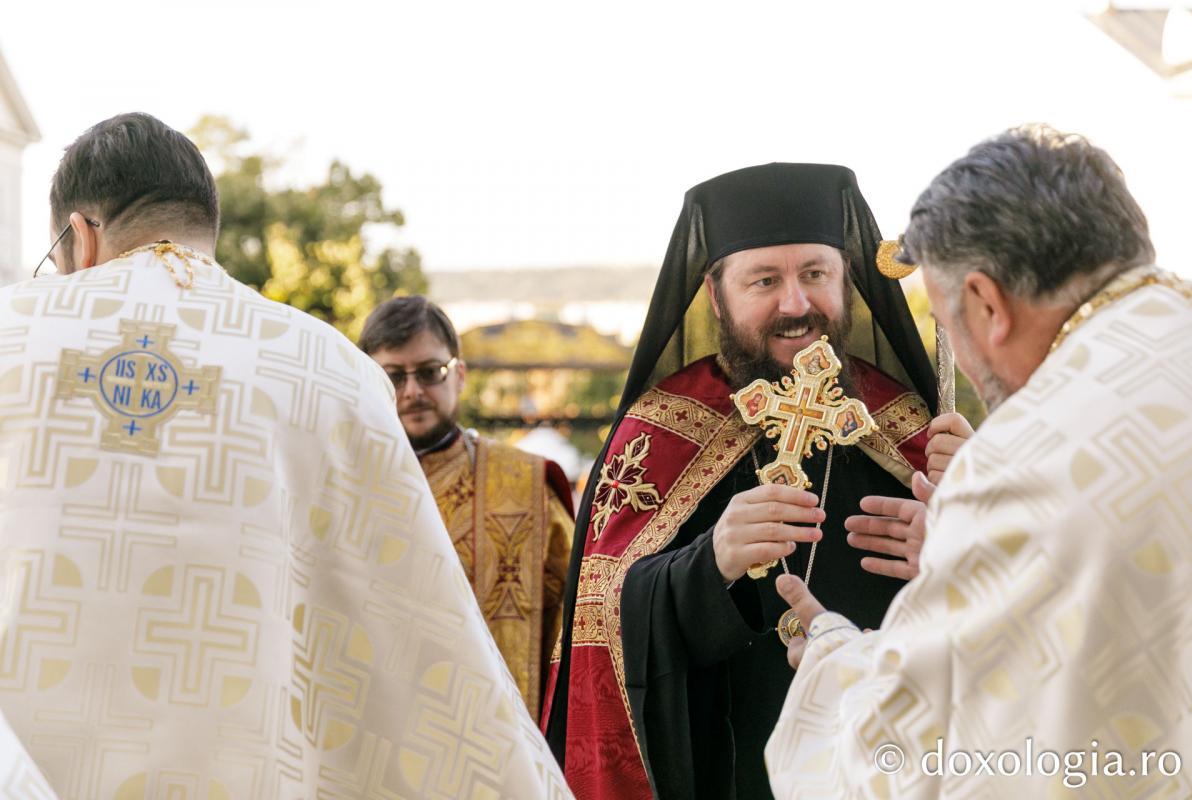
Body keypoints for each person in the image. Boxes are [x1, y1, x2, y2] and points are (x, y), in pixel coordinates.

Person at [0, 112, 568, 798]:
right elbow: (416, 639)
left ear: (79, 237)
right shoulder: (328, 368)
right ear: (206, 231)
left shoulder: (11, 337)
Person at [766, 125, 1192, 798]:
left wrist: (830, 656)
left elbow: (901, 761)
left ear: (987, 305)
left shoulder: (1025, 459)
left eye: (947, 318)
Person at [542, 162, 967, 799]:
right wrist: (708, 565)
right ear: (716, 296)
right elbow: (604, 622)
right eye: (764, 280)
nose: (795, 305)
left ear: (846, 281)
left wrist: (966, 531)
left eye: (815, 275)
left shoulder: (913, 431)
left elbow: (1003, 618)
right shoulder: (661, 432)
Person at [359, 296, 575, 718]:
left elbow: (578, 618)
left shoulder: (523, 484)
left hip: (496, 734)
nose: (413, 391)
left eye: (429, 372)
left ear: (459, 375)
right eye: (393, 377)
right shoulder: (340, 484)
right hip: (376, 727)